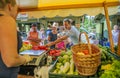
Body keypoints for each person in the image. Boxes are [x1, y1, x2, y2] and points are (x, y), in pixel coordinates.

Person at [0, 0, 31, 78]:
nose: (17, 13)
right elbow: (11, 60)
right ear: (10, 6)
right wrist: (25, 59)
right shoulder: (6, 19)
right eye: (17, 10)